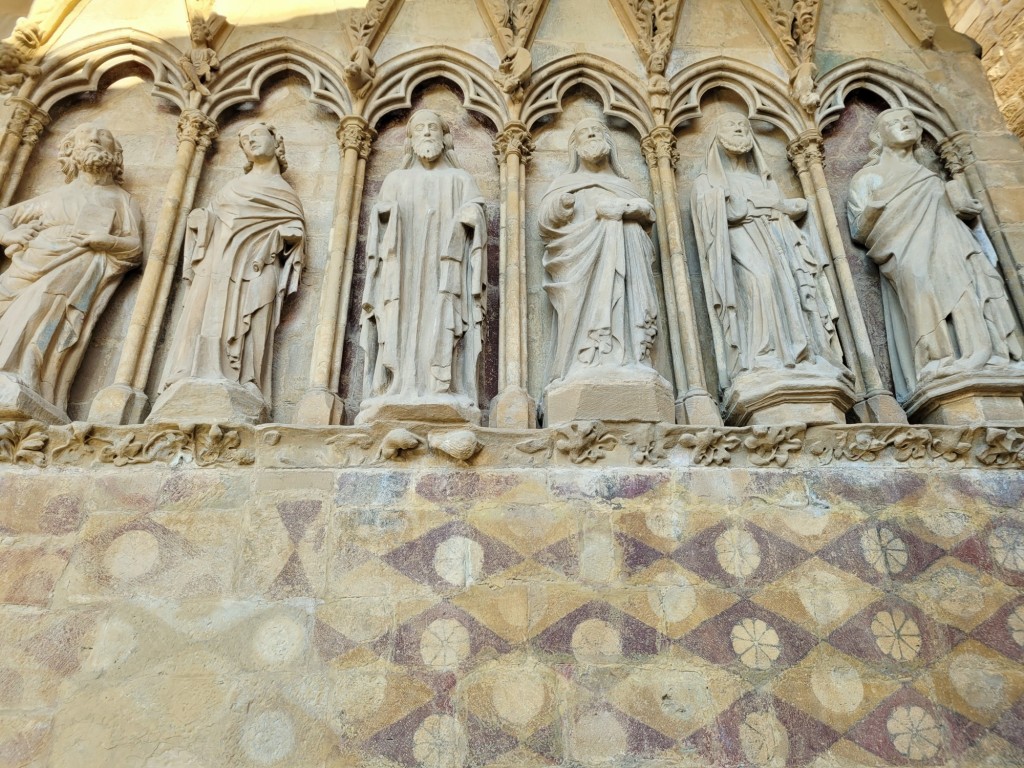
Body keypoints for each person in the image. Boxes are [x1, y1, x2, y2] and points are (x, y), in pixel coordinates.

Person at [848, 107, 1022, 398]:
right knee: (920, 285)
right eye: (893, 122)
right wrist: (875, 208)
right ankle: (938, 360)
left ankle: (978, 353)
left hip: (950, 240)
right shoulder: (867, 179)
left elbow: (961, 214)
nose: (904, 125)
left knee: (965, 284)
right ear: (878, 136)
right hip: (902, 247)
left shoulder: (930, 176)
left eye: (909, 121)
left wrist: (963, 206)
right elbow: (858, 230)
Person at [156, 122, 304, 416]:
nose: (250, 141)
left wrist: (288, 234)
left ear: (277, 143)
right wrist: (201, 220)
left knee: (255, 316)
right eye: (245, 140)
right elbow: (212, 221)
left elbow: (295, 229)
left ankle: (247, 380)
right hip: (219, 266)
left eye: (256, 135)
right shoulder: (232, 188)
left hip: (258, 264)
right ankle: (194, 372)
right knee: (206, 313)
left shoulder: (284, 192)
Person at [0, 123, 142, 421]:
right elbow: (4, 216)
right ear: (70, 151)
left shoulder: (121, 199)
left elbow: (135, 248)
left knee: (39, 312)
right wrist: (12, 235)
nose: (93, 138)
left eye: (103, 135)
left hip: (79, 268)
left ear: (116, 154)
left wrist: (107, 241)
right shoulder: (55, 196)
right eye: (84, 135)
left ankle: (24, 379)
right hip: (31, 264)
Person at [692, 113, 845, 383]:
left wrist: (785, 208)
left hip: (776, 237)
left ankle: (800, 353)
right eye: (731, 125)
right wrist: (750, 206)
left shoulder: (765, 180)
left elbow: (781, 208)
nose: (739, 129)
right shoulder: (709, 179)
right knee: (761, 280)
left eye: (744, 126)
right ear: (717, 138)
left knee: (789, 287)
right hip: (740, 235)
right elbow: (713, 213)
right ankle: (763, 354)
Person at [358, 109, 487, 422]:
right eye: (420, 129)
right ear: (411, 140)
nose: (427, 133)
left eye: (433, 127)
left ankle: (444, 387)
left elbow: (476, 211)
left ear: (444, 139)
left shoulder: (460, 179)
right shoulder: (396, 180)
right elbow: (379, 224)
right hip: (403, 270)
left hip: (445, 268)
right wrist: (383, 214)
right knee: (399, 320)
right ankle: (398, 385)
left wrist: (472, 217)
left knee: (441, 318)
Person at [538, 118, 662, 385]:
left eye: (598, 131)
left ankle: (630, 358)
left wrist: (627, 210)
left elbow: (648, 214)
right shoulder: (565, 182)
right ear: (575, 146)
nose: (592, 134)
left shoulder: (624, 185)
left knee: (628, 302)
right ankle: (585, 360)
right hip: (582, 259)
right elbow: (545, 222)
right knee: (583, 306)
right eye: (584, 133)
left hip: (628, 260)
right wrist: (562, 204)